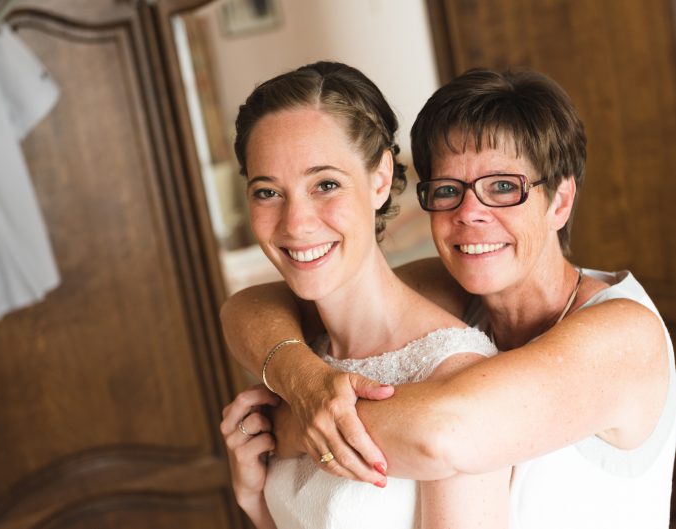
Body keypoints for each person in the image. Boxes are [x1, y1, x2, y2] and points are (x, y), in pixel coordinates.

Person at [220, 67, 676, 528]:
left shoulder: (626, 335)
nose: (470, 215)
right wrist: (300, 378)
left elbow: (445, 432)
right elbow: (249, 307)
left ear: (559, 202)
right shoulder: (456, 288)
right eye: (447, 191)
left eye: (502, 187)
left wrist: (288, 425)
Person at [219, 61, 511, 529]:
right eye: (268, 192)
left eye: (326, 184)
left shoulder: (456, 376)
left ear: (379, 179)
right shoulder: (300, 365)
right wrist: (252, 498)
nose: (295, 224)